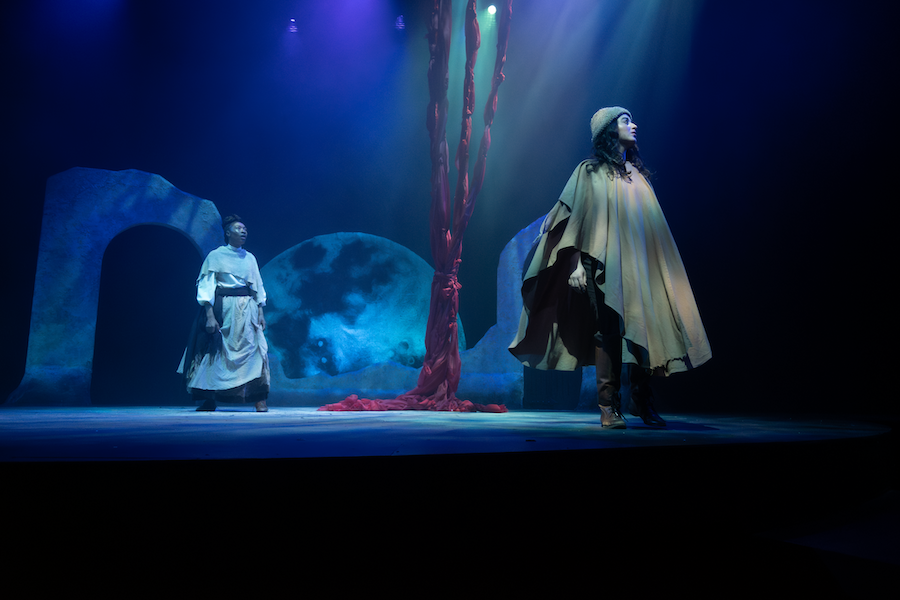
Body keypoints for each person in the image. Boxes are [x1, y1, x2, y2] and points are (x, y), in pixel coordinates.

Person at [509, 107, 711, 428]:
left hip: (638, 267)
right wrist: (575, 263)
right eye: (625, 121)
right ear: (608, 130)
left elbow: (651, 231)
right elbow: (575, 219)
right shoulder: (589, 171)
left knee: (645, 326)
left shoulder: (638, 178)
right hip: (599, 262)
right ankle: (608, 404)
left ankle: (641, 400)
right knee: (608, 329)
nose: (634, 125)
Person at [178, 214, 270, 412]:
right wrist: (209, 315)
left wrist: (260, 311)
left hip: (247, 309)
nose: (243, 231)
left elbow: (257, 286)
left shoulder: (250, 258)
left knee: (254, 352)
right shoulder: (216, 256)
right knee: (216, 353)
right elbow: (207, 286)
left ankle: (258, 398)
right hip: (224, 308)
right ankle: (210, 398)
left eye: (245, 229)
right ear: (228, 233)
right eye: (239, 228)